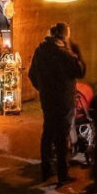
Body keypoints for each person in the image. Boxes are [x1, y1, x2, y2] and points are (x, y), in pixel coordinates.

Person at [28, 22, 86, 185]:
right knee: (62, 136)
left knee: (47, 133)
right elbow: (80, 71)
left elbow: (31, 74)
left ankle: (46, 170)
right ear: (64, 35)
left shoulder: (41, 50)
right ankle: (62, 173)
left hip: (48, 99)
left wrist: (42, 88)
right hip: (64, 100)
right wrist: (77, 51)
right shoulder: (65, 54)